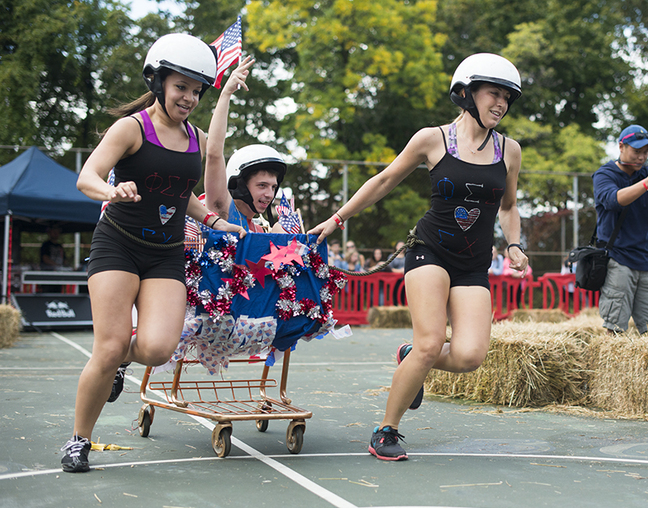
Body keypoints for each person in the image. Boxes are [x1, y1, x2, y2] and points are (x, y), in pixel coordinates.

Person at [308, 53, 528, 461]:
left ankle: (410, 359)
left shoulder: (509, 150)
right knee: (430, 343)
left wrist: (514, 244)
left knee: (469, 356)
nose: (500, 104)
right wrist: (337, 219)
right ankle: (385, 430)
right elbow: (385, 179)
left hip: (473, 262)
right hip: (430, 250)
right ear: (466, 94)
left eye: (507, 98)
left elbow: (510, 207)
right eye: (493, 94)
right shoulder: (433, 139)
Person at [61, 34, 246, 473]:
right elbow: (87, 177)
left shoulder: (197, 138)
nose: (189, 97)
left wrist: (216, 221)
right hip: (118, 244)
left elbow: (183, 196)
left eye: (197, 90)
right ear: (159, 81)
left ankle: (124, 360)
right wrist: (113, 189)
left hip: (166, 253)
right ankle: (79, 440)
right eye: (181, 86)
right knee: (107, 348)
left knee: (159, 348)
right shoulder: (131, 128)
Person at [592, 124, 648, 335]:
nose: (642, 157)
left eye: (646, 152)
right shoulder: (604, 174)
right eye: (637, 151)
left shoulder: (647, 174)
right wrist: (647, 183)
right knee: (614, 328)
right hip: (618, 258)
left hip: (647, 260)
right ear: (621, 147)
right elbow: (613, 200)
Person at [203, 56, 288, 233]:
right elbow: (214, 153)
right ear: (239, 185)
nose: (270, 194)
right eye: (262, 185)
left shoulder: (262, 231)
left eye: (273, 187)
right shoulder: (223, 213)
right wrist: (226, 93)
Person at [40, 226, 67, 292]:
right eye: (54, 232)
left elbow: (64, 259)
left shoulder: (59, 246)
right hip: (48, 274)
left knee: (58, 291)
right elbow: (45, 258)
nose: (56, 234)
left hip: (59, 274)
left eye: (57, 232)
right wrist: (55, 265)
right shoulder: (46, 245)